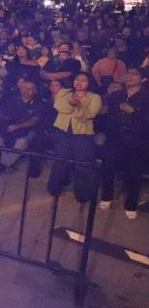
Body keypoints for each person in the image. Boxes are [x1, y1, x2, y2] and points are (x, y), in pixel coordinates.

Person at [99, 67, 149, 219]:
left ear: (143, 79)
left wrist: (133, 112)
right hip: (115, 139)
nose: (129, 76)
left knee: (133, 173)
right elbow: (107, 115)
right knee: (107, 168)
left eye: (134, 74)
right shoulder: (116, 95)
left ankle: (131, 204)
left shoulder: (146, 98)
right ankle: (107, 197)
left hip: (136, 141)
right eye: (128, 73)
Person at [46, 72, 102, 204]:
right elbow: (59, 106)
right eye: (77, 79)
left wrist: (77, 105)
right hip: (62, 131)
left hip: (83, 134)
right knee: (60, 160)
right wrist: (71, 103)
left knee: (82, 163)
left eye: (83, 80)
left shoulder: (94, 97)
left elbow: (90, 114)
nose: (79, 82)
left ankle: (82, 194)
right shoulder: (64, 92)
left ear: (89, 83)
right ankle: (54, 188)